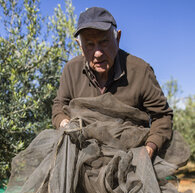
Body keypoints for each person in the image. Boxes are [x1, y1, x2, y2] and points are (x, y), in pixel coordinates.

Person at [52, 6, 173, 159]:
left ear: (118, 38)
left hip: (130, 155)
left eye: (104, 42)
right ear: (80, 46)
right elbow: (59, 106)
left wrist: (150, 147)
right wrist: (64, 123)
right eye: (89, 44)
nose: (97, 53)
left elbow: (162, 116)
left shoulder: (141, 70)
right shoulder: (71, 70)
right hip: (83, 154)